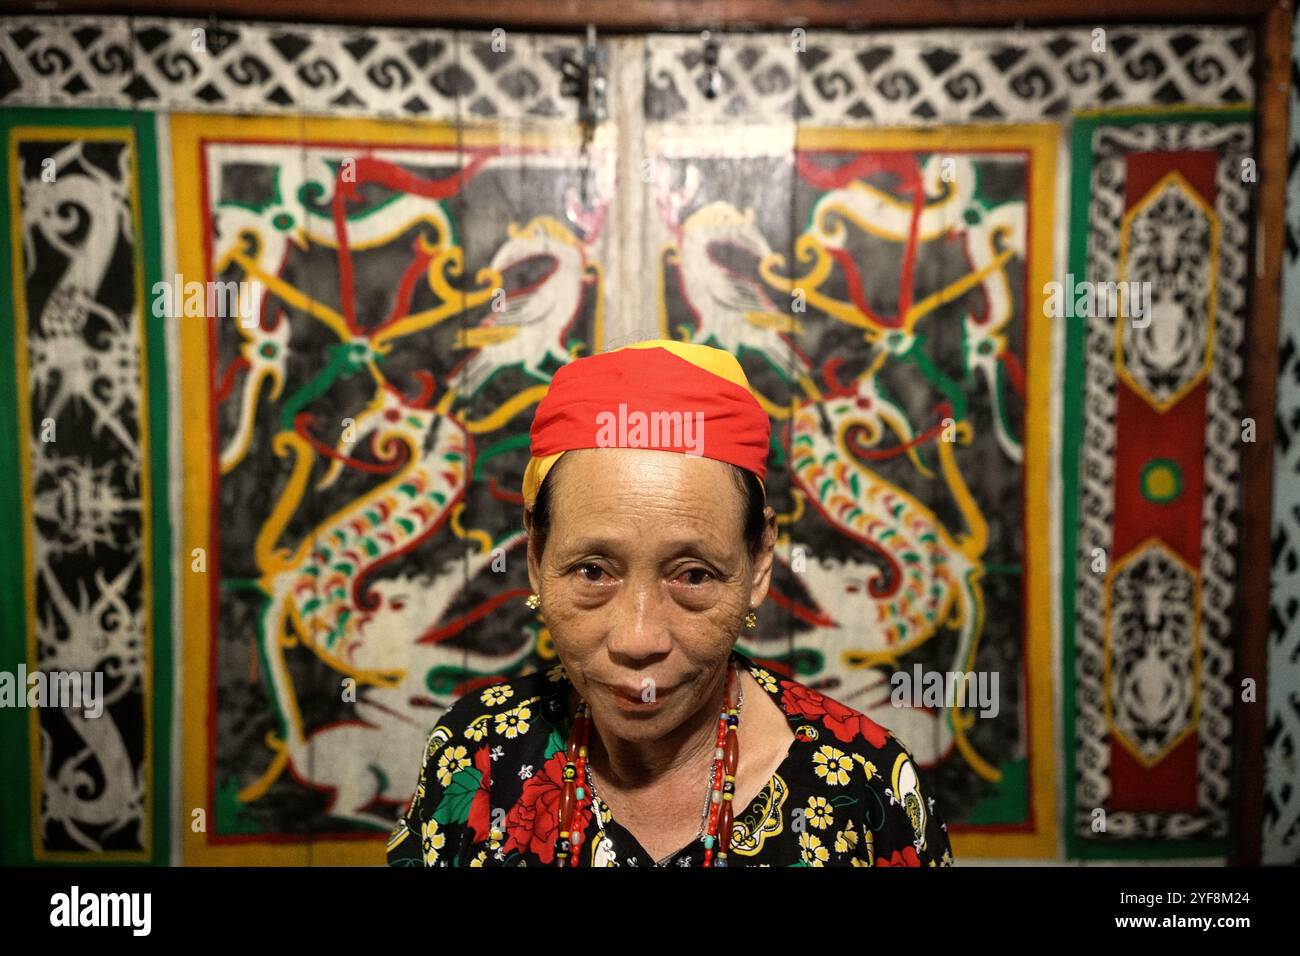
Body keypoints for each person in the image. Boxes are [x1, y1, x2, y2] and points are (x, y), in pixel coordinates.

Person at [386, 339, 953, 867]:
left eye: (693, 575)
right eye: (592, 571)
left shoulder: (868, 788)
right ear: (535, 556)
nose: (638, 640)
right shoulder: (476, 757)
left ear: (758, 562)